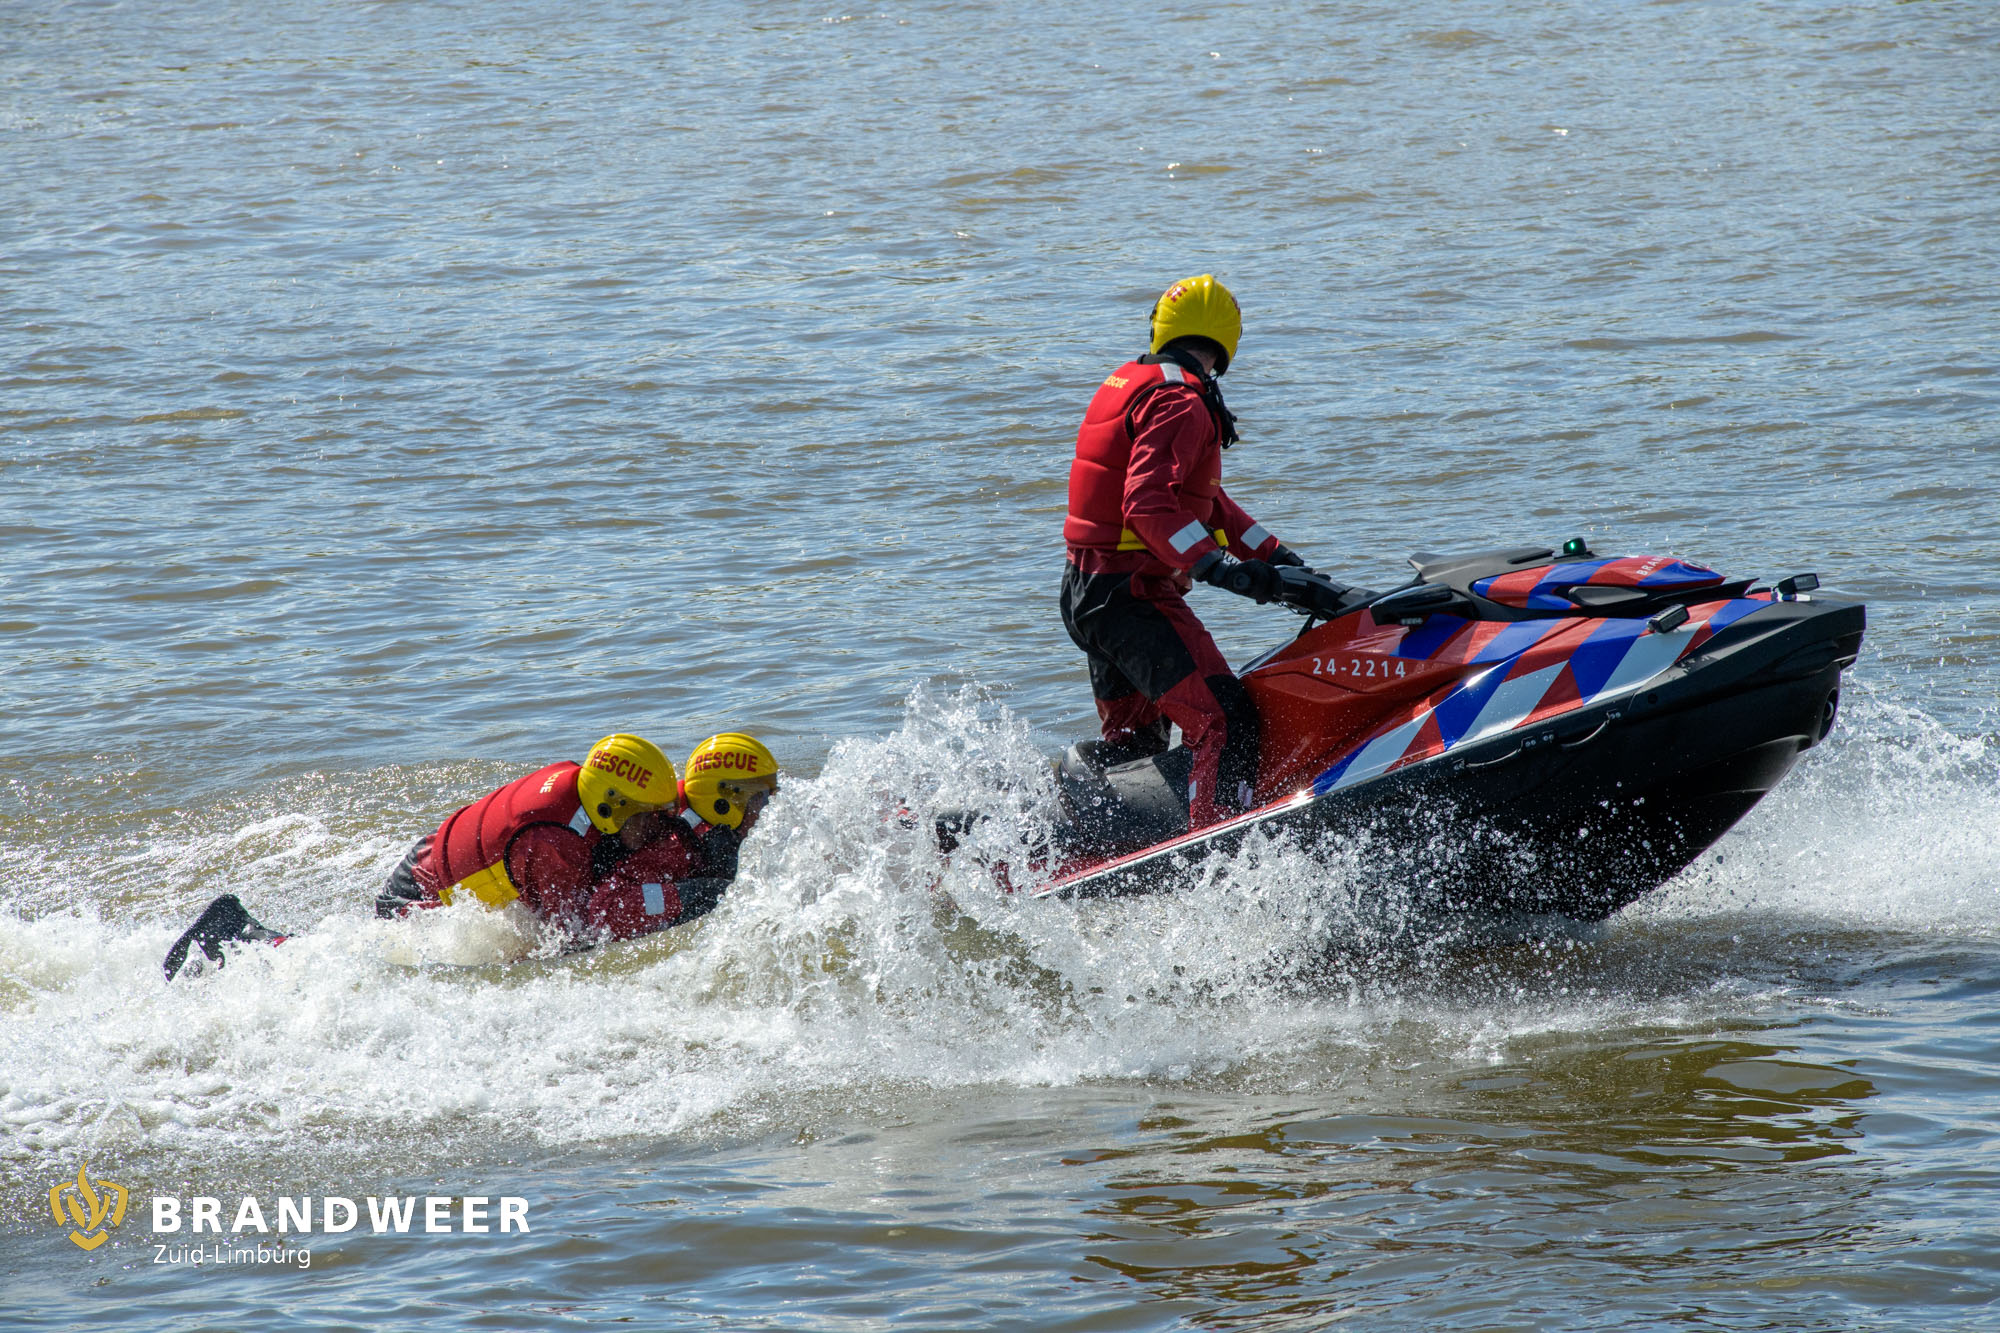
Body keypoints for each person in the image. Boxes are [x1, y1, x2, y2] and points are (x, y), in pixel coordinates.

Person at [163, 732, 780, 981]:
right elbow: (579, 930)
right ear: (616, 803)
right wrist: (688, 901)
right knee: (360, 970)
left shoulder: (585, 789)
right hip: (424, 892)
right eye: (647, 817)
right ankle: (240, 934)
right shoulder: (555, 843)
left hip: (437, 857)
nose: (658, 825)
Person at [1060, 274, 1310, 831]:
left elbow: (1206, 503)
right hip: (1132, 600)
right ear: (1228, 340)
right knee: (1225, 719)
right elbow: (1147, 507)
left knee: (1135, 745)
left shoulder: (1138, 382)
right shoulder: (1181, 402)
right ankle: (1218, 860)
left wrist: (1282, 562)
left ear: (1161, 324)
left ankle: (1105, 841)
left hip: (1090, 595)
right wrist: (1215, 567)